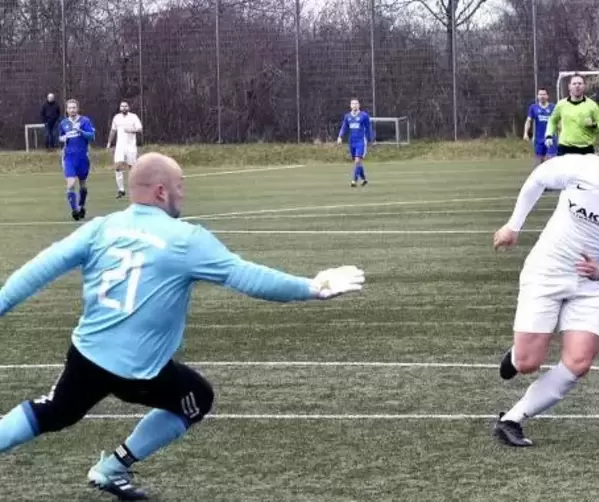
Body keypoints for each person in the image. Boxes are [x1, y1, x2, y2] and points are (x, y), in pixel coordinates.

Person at [0, 152, 365, 500]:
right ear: (161, 191)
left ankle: (109, 468)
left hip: (86, 358)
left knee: (52, 412)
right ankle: (112, 468)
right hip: (139, 373)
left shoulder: (101, 228)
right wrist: (312, 287)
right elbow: (247, 276)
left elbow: (38, 269)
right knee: (196, 398)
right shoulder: (186, 239)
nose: (183, 193)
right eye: (180, 185)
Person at [491, 123, 599, 447]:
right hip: (546, 271)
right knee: (528, 363)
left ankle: (512, 419)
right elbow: (538, 178)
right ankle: (517, 356)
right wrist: (513, 226)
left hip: (592, 282)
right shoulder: (576, 167)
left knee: (579, 362)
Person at [545, 74, 599, 156]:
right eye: (574, 84)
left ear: (584, 86)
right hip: (565, 147)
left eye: (580, 83)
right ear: (569, 87)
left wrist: (593, 125)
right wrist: (549, 135)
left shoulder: (592, 105)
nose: (577, 86)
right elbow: (552, 120)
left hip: (586, 149)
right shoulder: (561, 104)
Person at [59, 99, 95, 221]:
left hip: (82, 158)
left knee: (83, 184)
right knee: (71, 184)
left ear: (77, 108)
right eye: (70, 108)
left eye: (74, 107)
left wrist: (80, 131)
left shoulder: (85, 121)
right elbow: (60, 137)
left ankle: (82, 206)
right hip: (69, 158)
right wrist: (63, 138)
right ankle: (74, 210)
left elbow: (91, 136)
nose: (72, 110)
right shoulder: (64, 123)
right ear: (67, 110)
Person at [106, 101, 143, 199]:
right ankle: (121, 190)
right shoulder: (116, 117)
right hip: (120, 146)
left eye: (126, 106)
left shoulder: (133, 117)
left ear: (128, 107)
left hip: (131, 146)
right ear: (120, 107)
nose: (124, 108)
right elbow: (113, 130)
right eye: (122, 106)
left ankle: (135, 189)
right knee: (118, 166)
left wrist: (131, 130)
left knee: (132, 167)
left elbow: (140, 129)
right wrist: (109, 143)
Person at [337, 98, 373, 187]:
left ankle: (354, 180)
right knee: (357, 162)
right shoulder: (347, 116)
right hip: (352, 141)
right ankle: (364, 179)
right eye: (353, 103)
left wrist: (370, 139)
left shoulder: (364, 115)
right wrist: (340, 136)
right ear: (350, 105)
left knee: (357, 161)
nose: (354, 105)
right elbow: (344, 127)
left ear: (359, 105)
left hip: (361, 141)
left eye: (356, 103)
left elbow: (369, 128)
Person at [524, 88, 557, 165]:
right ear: (537, 96)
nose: (542, 96)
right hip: (538, 139)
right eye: (540, 94)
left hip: (551, 138)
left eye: (544, 94)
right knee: (538, 163)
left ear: (547, 96)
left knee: (551, 161)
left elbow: (558, 122)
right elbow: (528, 121)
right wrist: (525, 133)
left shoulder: (553, 107)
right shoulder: (533, 108)